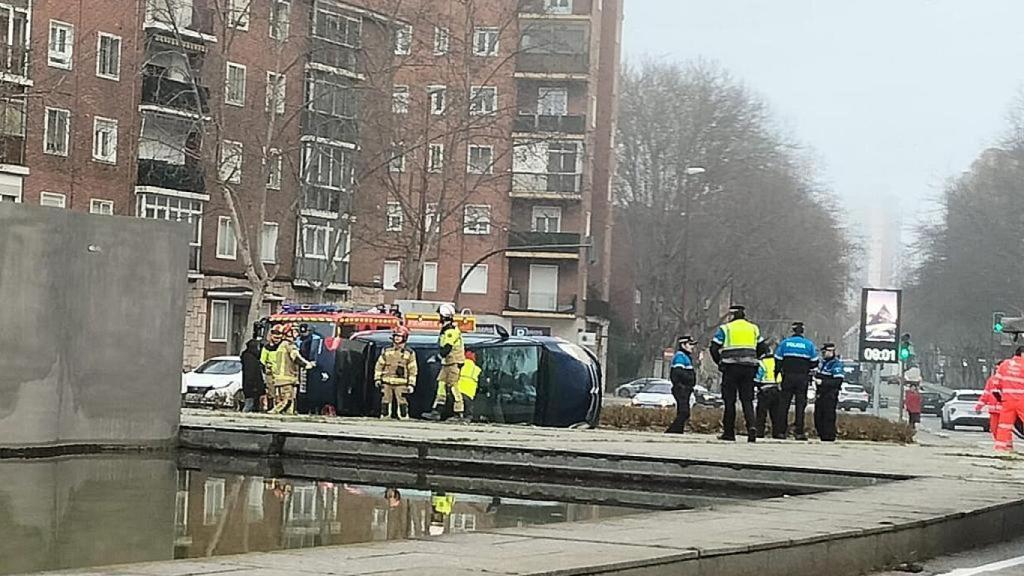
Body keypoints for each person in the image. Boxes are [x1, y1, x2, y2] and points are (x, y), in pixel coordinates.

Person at [710, 305, 762, 442]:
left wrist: (719, 362)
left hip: (731, 368)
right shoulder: (753, 328)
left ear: (732, 316)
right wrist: (753, 358)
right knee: (747, 400)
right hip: (749, 368)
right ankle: (752, 427)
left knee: (730, 401)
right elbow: (762, 347)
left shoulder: (726, 328)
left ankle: (729, 432)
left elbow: (714, 347)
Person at [774, 322, 820, 440]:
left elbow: (778, 361)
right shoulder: (809, 345)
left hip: (788, 377)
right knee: (800, 406)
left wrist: (777, 375)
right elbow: (815, 362)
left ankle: (781, 431)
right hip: (802, 378)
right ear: (802, 331)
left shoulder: (785, 343)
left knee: (784, 405)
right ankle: (799, 432)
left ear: (793, 331)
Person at [261, 323, 315, 414]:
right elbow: (296, 357)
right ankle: (274, 412)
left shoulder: (281, 346)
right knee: (287, 400)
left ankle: (286, 414)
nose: (297, 333)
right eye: (295, 331)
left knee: (285, 402)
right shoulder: (289, 345)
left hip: (279, 378)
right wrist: (307, 364)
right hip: (287, 378)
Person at [426, 304, 466, 422]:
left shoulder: (450, 331)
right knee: (441, 385)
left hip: (453, 363)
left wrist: (437, 357)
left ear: (444, 316)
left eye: (440, 315)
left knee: (453, 387)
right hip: (447, 363)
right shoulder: (446, 329)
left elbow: (446, 348)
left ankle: (458, 413)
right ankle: (436, 411)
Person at [374, 326, 418, 419]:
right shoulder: (386, 350)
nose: (397, 338)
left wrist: (411, 384)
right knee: (385, 400)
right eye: (395, 336)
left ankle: (403, 416)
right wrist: (377, 378)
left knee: (402, 401)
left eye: (399, 336)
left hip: (401, 383)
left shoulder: (409, 353)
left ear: (404, 338)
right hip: (386, 381)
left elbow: (412, 369)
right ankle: (385, 416)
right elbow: (379, 365)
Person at [991, 347, 1024, 452]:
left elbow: (996, 383)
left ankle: (1000, 448)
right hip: (1022, 400)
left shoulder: (1004, 364)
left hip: (1007, 400)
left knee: (1004, 425)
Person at [665, 336, 697, 434]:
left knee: (682, 411)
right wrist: (684, 385)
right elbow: (678, 373)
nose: (692, 347)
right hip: (682, 389)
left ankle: (678, 431)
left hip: (685, 389)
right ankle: (672, 431)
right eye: (690, 344)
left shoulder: (685, 356)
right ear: (683, 345)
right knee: (684, 412)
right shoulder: (680, 356)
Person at [813, 343, 844, 441]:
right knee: (818, 416)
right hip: (820, 393)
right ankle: (821, 434)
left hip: (830, 394)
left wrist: (823, 382)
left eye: (825, 352)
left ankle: (829, 436)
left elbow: (837, 381)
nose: (823, 354)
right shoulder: (823, 363)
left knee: (828, 416)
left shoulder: (836, 364)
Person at [754, 342, 782, 439]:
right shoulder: (776, 361)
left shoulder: (761, 363)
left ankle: (759, 432)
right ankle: (777, 433)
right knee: (776, 414)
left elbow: (757, 378)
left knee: (761, 413)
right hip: (777, 389)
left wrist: (755, 384)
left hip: (764, 390)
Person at [978, 366, 1004, 441]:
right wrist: (979, 406)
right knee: (994, 429)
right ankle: (1000, 444)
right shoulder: (991, 380)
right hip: (994, 411)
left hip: (1005, 410)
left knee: (1004, 430)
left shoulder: (1008, 380)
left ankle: (1004, 444)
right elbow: (986, 394)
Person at [240, 338, 265, 413]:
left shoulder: (251, 357)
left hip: (252, 386)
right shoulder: (250, 358)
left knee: (252, 404)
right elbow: (251, 373)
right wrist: (254, 386)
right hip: (252, 387)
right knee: (249, 404)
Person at [457, 350, 482, 421]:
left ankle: (457, 416)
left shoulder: (459, 365)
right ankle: (468, 417)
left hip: (458, 390)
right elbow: (482, 384)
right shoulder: (477, 369)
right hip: (470, 393)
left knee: (457, 405)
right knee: (468, 407)